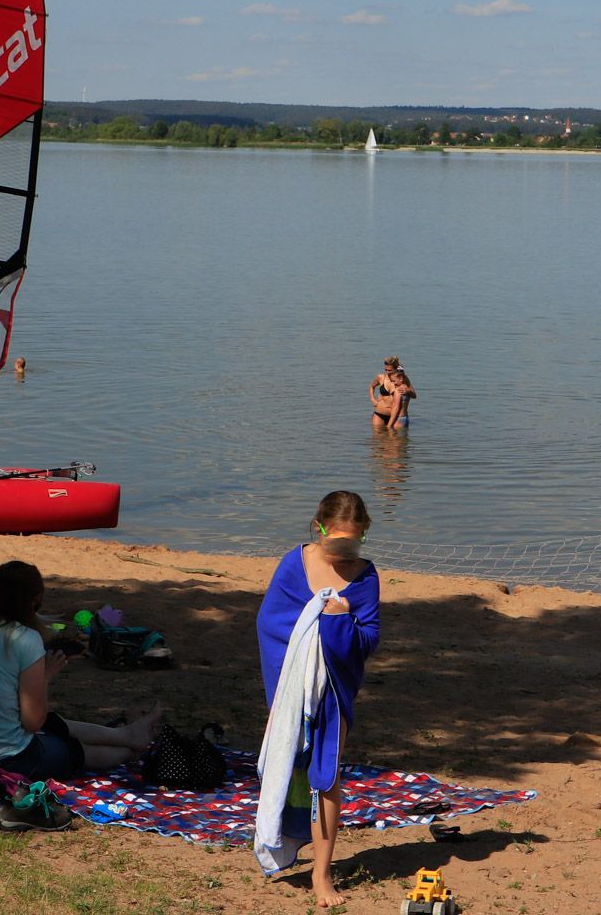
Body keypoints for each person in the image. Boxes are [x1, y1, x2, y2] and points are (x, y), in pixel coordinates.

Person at [255, 492, 381, 906]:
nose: (345, 552)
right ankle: (289, 843)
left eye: (353, 543)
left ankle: (322, 875)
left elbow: (367, 641)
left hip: (335, 691)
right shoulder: (295, 564)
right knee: (291, 768)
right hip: (291, 688)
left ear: (364, 533)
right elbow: (271, 624)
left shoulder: (365, 577)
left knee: (325, 778)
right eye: (337, 544)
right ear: (319, 528)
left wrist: (339, 619)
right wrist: (285, 688)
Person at [0, 561, 160, 785]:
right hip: (2, 759)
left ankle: (127, 736)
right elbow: (32, 722)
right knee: (72, 750)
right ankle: (130, 751)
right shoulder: (24, 639)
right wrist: (45, 676)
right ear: (31, 603)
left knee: (55, 724)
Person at [368, 356, 416, 431]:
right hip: (379, 414)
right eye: (385, 370)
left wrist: (408, 391)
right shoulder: (380, 377)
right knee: (377, 440)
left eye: (390, 370)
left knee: (394, 439)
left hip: (396, 416)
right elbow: (371, 386)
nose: (387, 372)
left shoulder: (402, 379)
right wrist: (373, 399)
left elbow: (414, 395)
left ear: (396, 369)